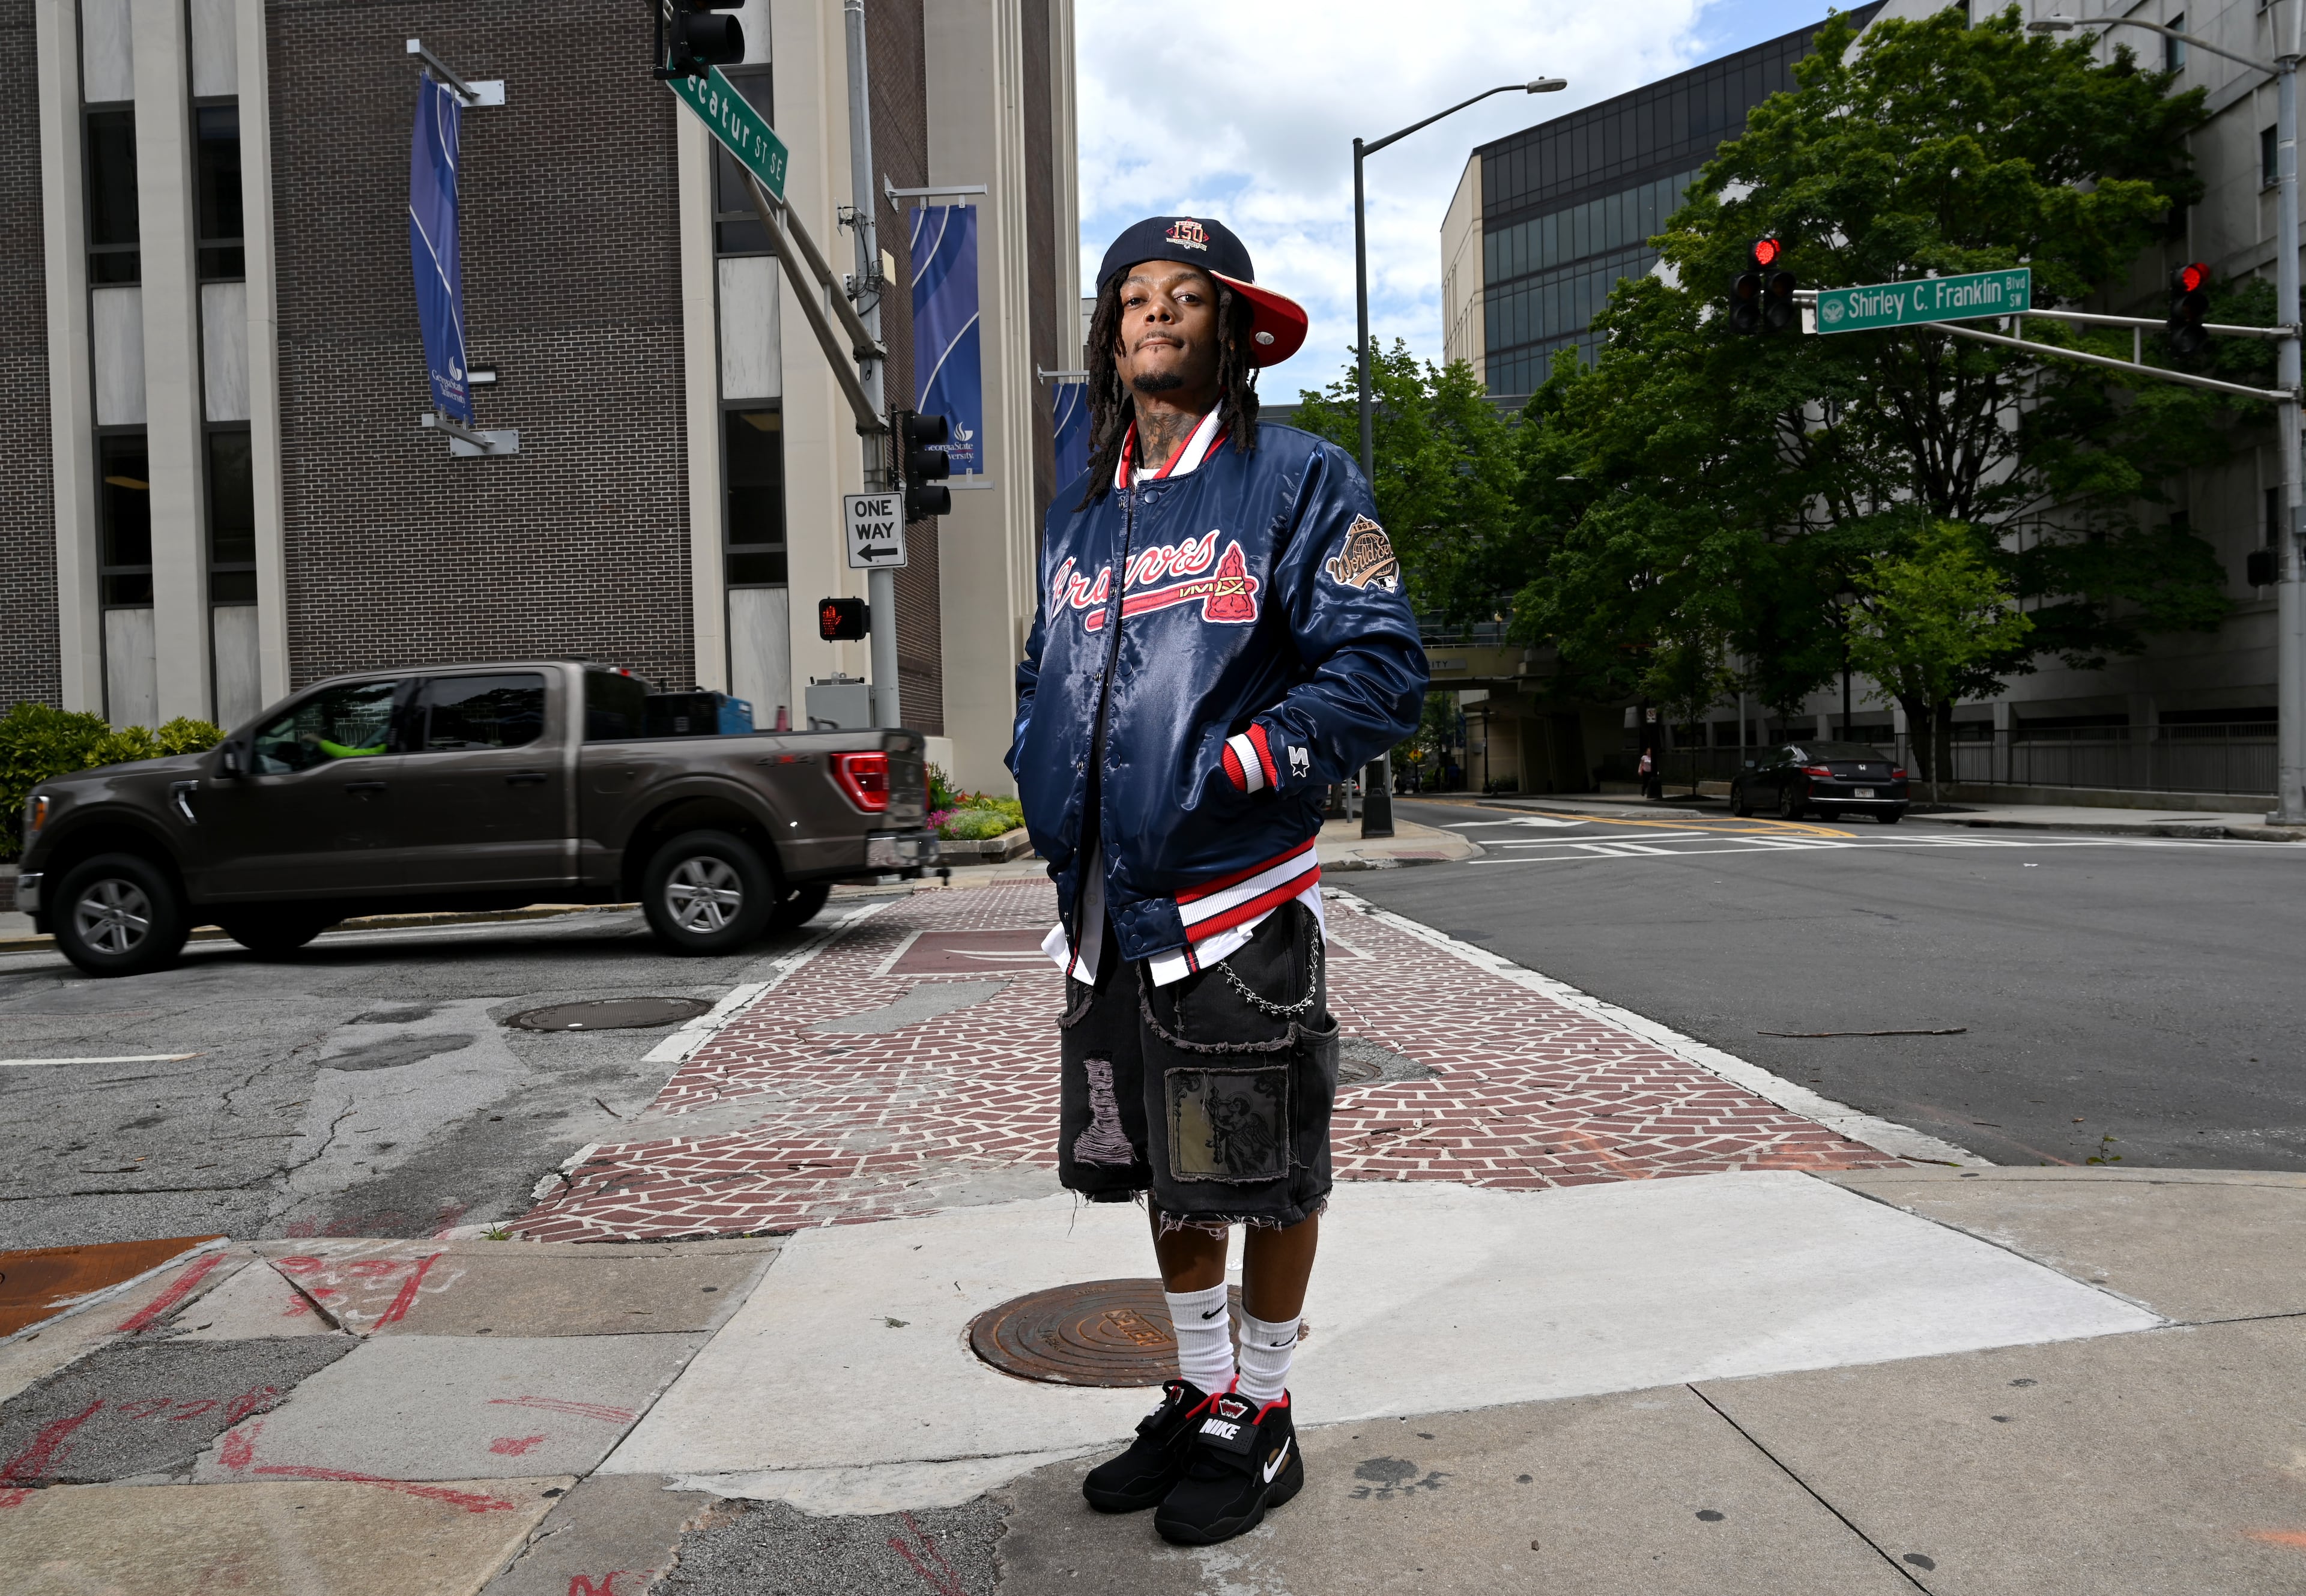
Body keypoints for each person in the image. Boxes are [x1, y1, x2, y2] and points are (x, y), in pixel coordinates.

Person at [1008, 216, 1426, 1547]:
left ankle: (1270, 1408)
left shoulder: (1300, 478)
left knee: (1262, 1174)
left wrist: (1244, 760)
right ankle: (1199, 1392)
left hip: (1233, 906)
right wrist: (1034, 760)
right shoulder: (1084, 505)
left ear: (1235, 328)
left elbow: (1379, 670)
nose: (1157, 316)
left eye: (1188, 297)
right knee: (1166, 1180)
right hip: (1102, 915)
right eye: (1135, 297)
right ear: (1108, 330)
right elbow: (1046, 674)